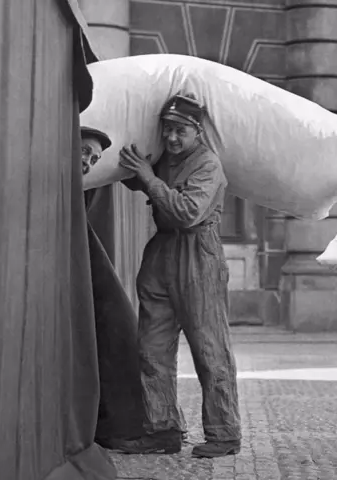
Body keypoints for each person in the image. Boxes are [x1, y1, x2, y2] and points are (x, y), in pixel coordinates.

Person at [113, 94, 242, 458]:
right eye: (167, 129)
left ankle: (224, 433)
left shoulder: (208, 164)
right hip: (161, 255)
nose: (171, 137)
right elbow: (133, 176)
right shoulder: (163, 160)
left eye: (180, 130)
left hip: (198, 256)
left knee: (209, 348)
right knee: (151, 350)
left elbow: (188, 213)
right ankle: (162, 430)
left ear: (198, 132)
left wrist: (149, 179)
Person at [80, 126, 149, 449]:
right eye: (84, 152)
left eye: (93, 158)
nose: (87, 162)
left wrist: (144, 176)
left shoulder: (88, 186)